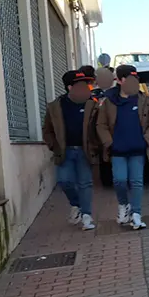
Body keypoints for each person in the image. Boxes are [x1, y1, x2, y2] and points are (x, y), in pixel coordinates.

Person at [96, 65, 149, 230]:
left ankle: (136, 214)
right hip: (117, 150)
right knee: (120, 180)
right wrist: (109, 142)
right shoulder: (109, 101)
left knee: (136, 182)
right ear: (120, 80)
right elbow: (101, 125)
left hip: (138, 149)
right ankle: (123, 205)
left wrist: (146, 140)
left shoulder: (144, 100)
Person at [43, 70, 99, 231]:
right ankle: (76, 204)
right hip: (64, 151)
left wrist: (96, 145)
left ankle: (87, 216)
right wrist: (53, 145)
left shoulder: (93, 104)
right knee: (64, 181)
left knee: (85, 183)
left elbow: (100, 126)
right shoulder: (55, 106)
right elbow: (47, 129)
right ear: (69, 87)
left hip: (85, 150)